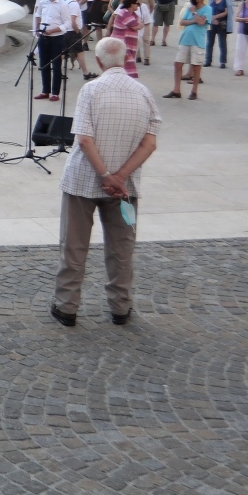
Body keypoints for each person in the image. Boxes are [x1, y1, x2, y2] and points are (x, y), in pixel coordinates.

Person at [50, 37, 161, 328]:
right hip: (126, 188)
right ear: (125, 59)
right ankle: (120, 307)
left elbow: (84, 139)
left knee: (73, 247)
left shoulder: (91, 90)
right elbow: (150, 144)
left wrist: (105, 175)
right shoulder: (144, 93)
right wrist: (120, 176)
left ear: (99, 62)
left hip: (83, 181)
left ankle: (67, 307)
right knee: (122, 249)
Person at [33, 0, 80, 101]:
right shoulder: (43, 2)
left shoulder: (63, 5)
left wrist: (53, 30)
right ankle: (45, 90)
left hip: (57, 38)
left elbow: (67, 23)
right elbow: (38, 15)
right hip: (44, 37)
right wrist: (38, 27)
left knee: (56, 65)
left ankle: (55, 93)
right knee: (44, 65)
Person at [164, 0, 211, 100]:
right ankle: (176, 90)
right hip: (185, 39)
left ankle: (194, 91)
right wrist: (194, 20)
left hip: (197, 41)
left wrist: (194, 13)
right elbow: (182, 22)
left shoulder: (207, 9)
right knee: (178, 64)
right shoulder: (189, 7)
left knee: (196, 66)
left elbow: (201, 22)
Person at [207, 0, 230, 69]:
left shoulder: (226, 0)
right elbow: (207, 10)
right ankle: (208, 60)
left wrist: (216, 17)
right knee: (209, 43)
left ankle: (223, 62)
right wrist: (212, 19)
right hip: (211, 23)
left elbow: (227, 12)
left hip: (221, 24)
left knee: (222, 43)